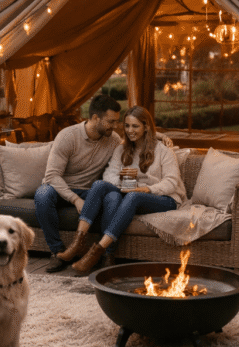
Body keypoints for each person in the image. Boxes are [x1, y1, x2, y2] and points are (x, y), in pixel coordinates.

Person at [60, 105, 186, 275]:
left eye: (135, 126)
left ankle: (97, 251)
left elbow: (171, 182)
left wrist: (145, 189)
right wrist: (121, 187)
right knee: (100, 186)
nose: (130, 130)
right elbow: (110, 174)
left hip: (165, 198)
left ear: (146, 127)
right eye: (127, 126)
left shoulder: (163, 151)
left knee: (134, 196)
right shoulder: (121, 149)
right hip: (131, 193)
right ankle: (78, 242)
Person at [35, 94, 122, 273]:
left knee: (113, 196)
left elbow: (133, 139)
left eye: (116, 122)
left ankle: (106, 254)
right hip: (61, 189)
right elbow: (52, 175)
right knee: (42, 195)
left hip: (91, 192)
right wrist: (74, 199)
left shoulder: (113, 139)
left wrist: (156, 134)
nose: (115, 127)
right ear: (95, 118)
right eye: (110, 122)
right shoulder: (68, 136)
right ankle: (57, 252)